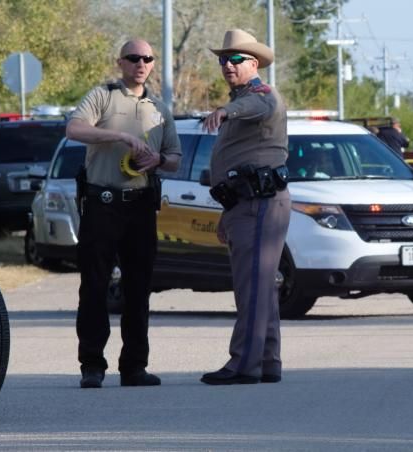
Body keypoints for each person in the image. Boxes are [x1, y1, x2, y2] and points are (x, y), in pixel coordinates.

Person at [65, 39, 182, 389]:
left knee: (138, 287)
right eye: (134, 58)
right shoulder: (104, 96)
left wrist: (158, 160)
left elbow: (174, 158)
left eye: (147, 58)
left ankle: (134, 367)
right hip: (102, 202)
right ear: (121, 62)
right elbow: (74, 129)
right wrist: (118, 136)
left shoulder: (159, 108)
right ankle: (92, 365)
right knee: (95, 285)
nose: (141, 63)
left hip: (141, 205)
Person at [200, 29, 290, 385]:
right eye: (224, 59)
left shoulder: (260, 95)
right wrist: (227, 213)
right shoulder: (241, 99)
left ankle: (243, 365)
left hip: (260, 202)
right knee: (260, 286)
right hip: (245, 203)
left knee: (252, 286)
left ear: (254, 63)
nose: (228, 65)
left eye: (236, 59)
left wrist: (226, 110)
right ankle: (267, 361)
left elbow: (258, 105)